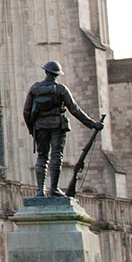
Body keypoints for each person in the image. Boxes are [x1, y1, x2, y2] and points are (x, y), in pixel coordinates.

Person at [22, 61, 104, 196]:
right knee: (56, 156)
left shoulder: (34, 88)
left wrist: (32, 129)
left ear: (46, 72)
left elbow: (26, 112)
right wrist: (92, 124)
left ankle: (40, 190)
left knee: (42, 156)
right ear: (56, 75)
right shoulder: (61, 89)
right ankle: (54, 188)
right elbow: (74, 109)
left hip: (40, 126)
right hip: (57, 125)